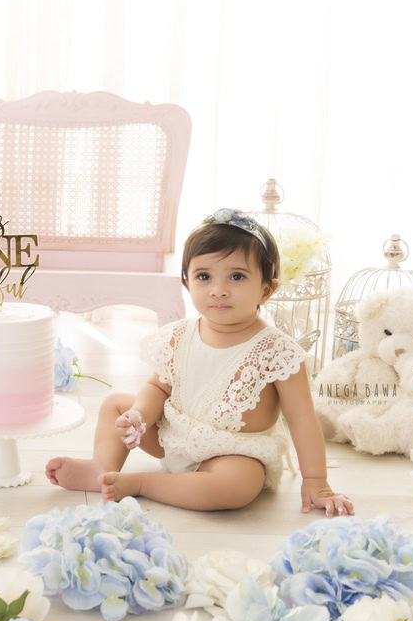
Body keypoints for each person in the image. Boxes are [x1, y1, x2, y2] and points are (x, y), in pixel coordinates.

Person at [45, 208, 354, 516]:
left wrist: (316, 480)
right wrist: (140, 415)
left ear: (267, 289)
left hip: (232, 453)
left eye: (236, 276)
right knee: (115, 403)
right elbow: (158, 386)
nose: (218, 290)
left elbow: (302, 419)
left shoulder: (277, 351)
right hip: (172, 436)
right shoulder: (179, 335)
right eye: (204, 276)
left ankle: (141, 484)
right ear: (187, 282)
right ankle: (102, 467)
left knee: (237, 486)